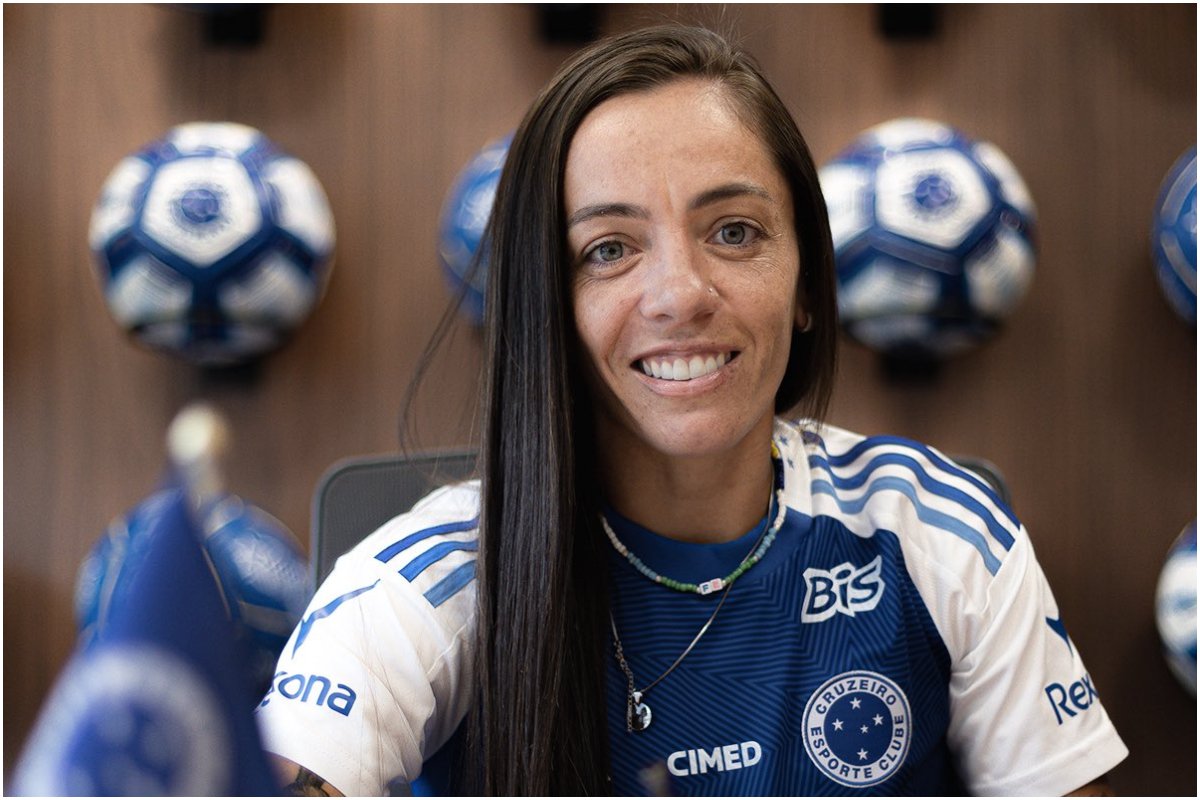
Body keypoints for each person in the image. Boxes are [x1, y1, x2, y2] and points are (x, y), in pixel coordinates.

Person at [257, 24, 1128, 796]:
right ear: (544, 310)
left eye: (734, 232)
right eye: (608, 249)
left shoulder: (936, 531)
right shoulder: (430, 583)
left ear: (808, 283)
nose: (678, 293)